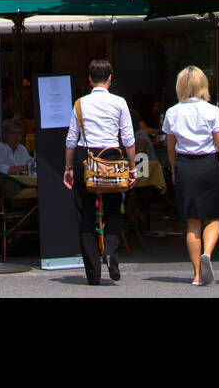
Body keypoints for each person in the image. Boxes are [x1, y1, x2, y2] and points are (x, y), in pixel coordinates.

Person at [163, 65, 219, 286]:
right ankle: (207, 254)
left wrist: (175, 169)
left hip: (185, 166)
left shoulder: (172, 112)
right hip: (209, 166)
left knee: (192, 223)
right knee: (213, 217)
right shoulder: (212, 110)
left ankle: (197, 274)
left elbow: (170, 147)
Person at [64, 59, 136, 285]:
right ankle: (111, 253)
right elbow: (128, 139)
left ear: (89, 79)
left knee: (85, 214)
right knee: (114, 209)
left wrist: (68, 168)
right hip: (112, 157)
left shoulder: (80, 104)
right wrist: (133, 168)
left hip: (85, 158)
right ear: (110, 78)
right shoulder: (120, 103)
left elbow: (71, 140)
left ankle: (93, 274)